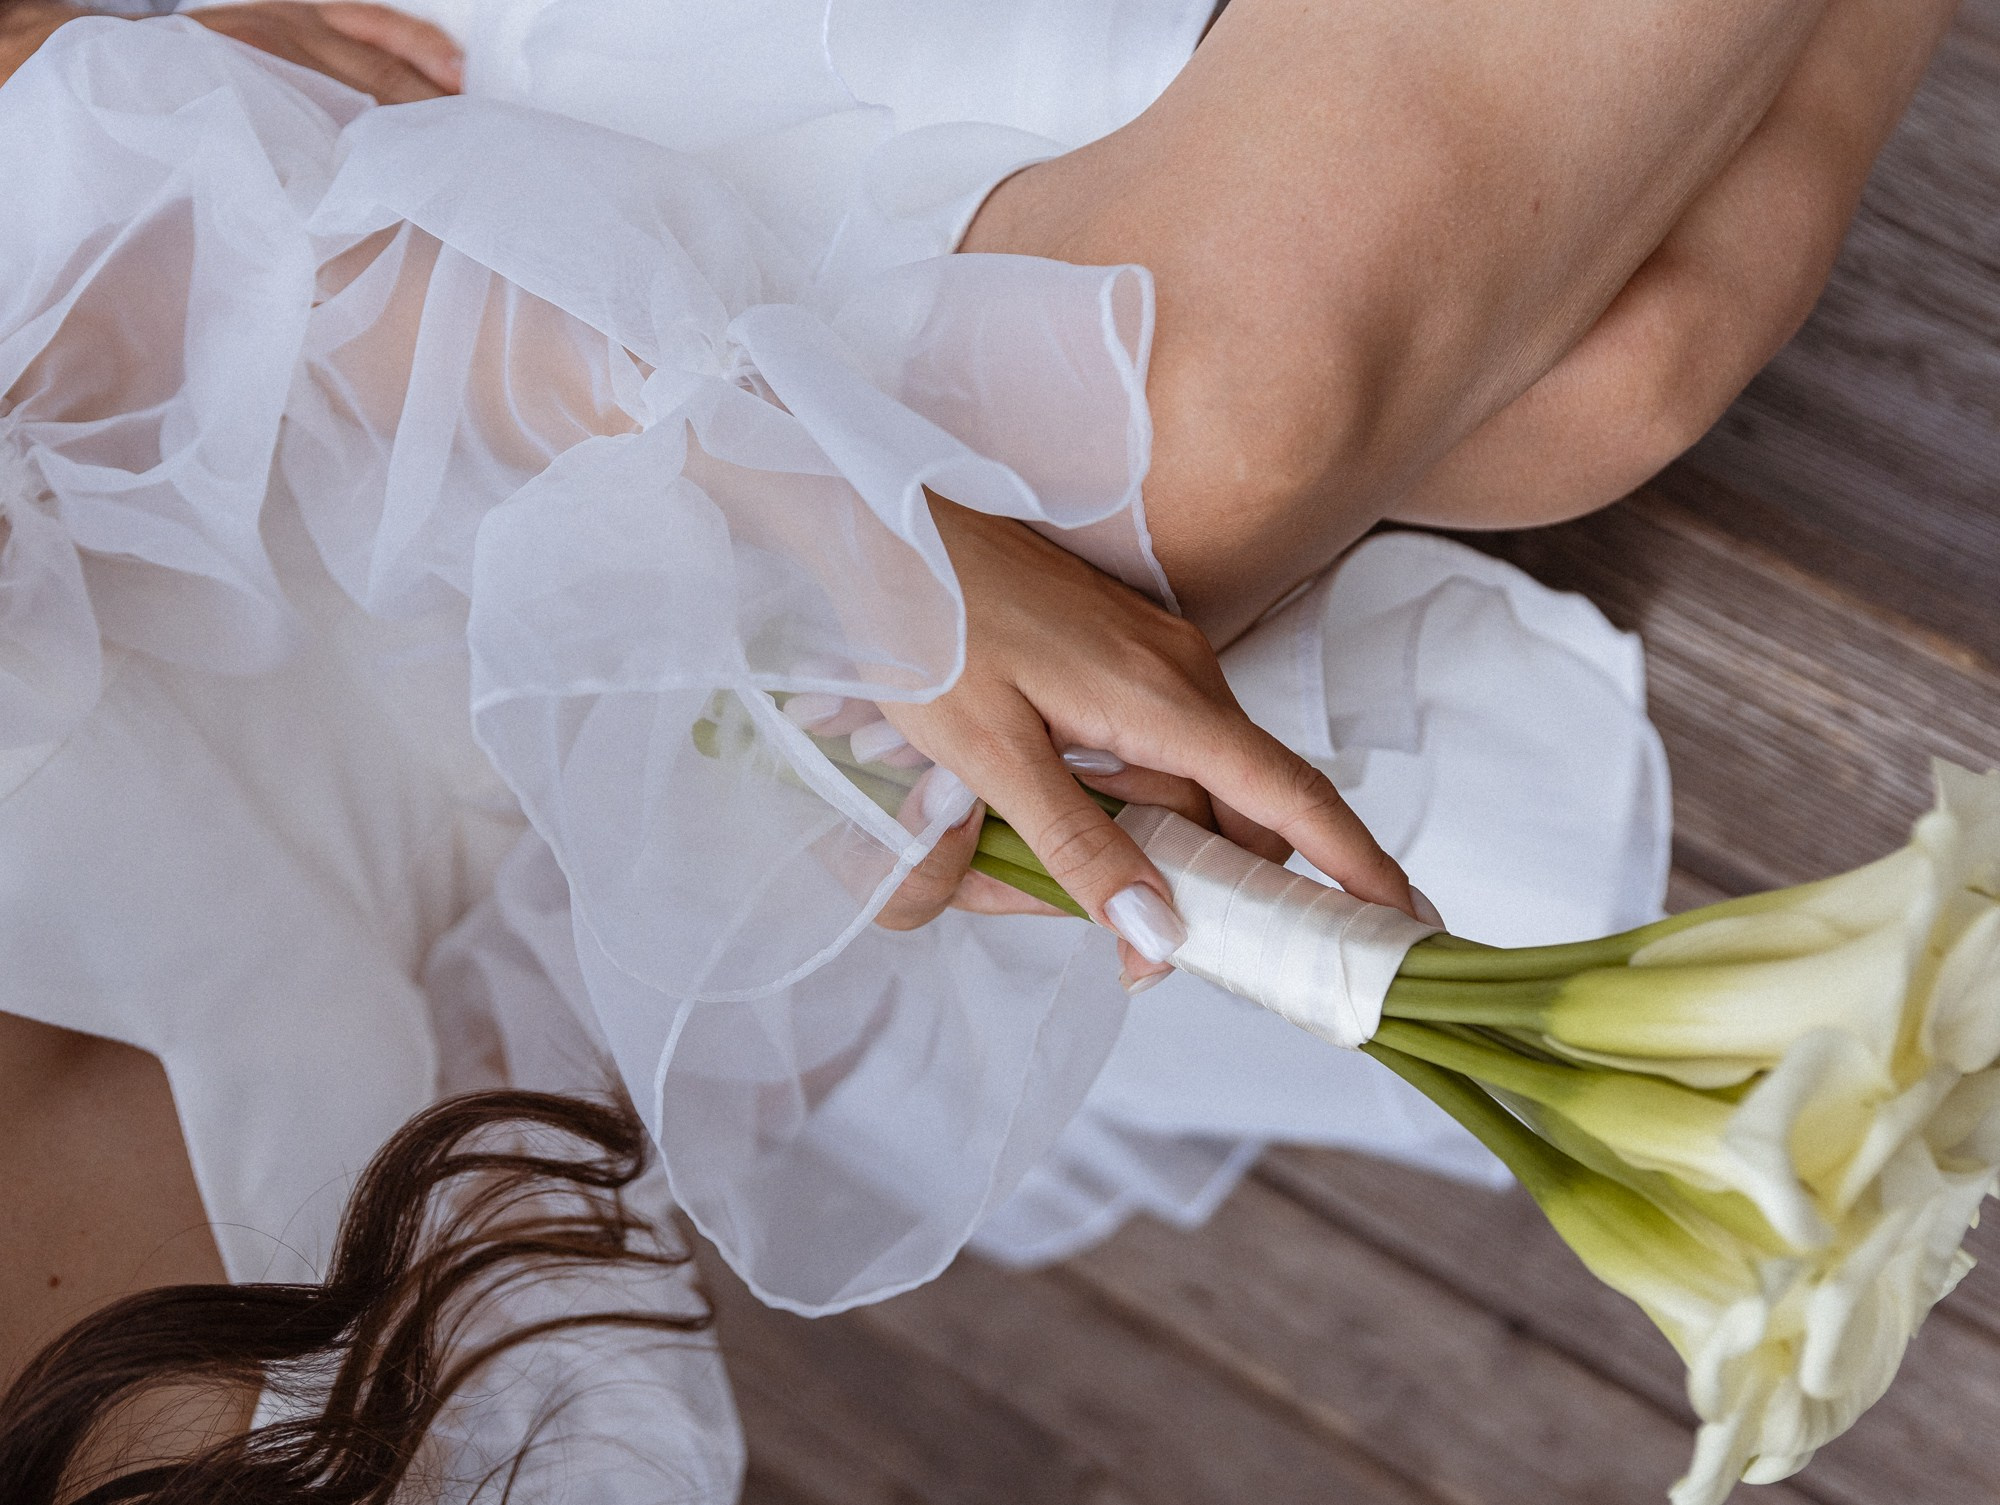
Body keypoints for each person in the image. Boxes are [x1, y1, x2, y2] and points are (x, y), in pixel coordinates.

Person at [0, 0, 1955, 1495]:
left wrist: (846, 518)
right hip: (604, 661)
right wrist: (815, 847)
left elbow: (103, 250)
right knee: (1599, 375)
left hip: (347, 254)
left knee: (1225, 424)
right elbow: (571, 1023)